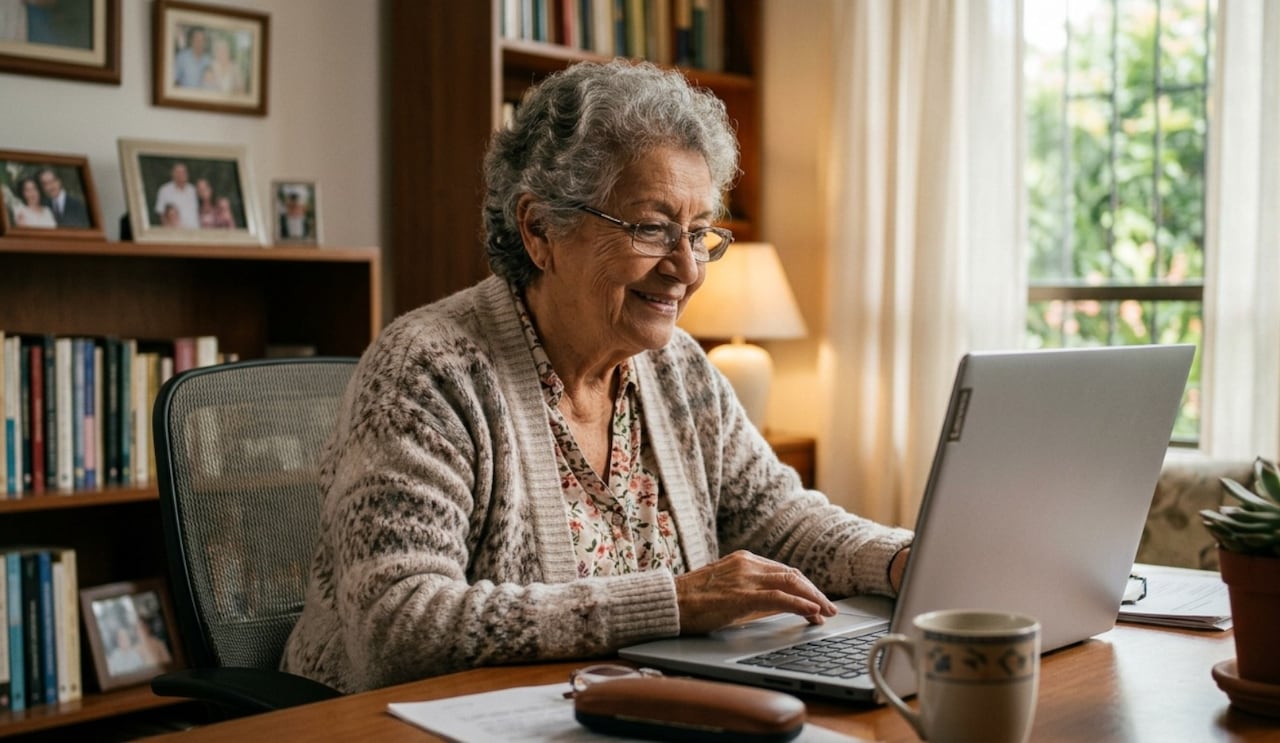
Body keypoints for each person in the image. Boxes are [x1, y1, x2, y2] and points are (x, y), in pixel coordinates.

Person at [281, 59, 913, 694]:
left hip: (624, 709)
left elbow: (777, 518)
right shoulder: (427, 372)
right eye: (652, 229)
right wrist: (675, 603)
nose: (687, 269)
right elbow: (399, 626)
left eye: (699, 234)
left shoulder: (680, 368)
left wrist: (902, 560)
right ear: (539, 229)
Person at [153, 162, 199, 228]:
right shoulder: (164, 190)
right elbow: (161, 214)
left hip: (194, 231)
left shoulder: (193, 190)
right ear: (172, 174)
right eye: (178, 172)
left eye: (184, 172)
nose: (181, 175)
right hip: (176, 233)